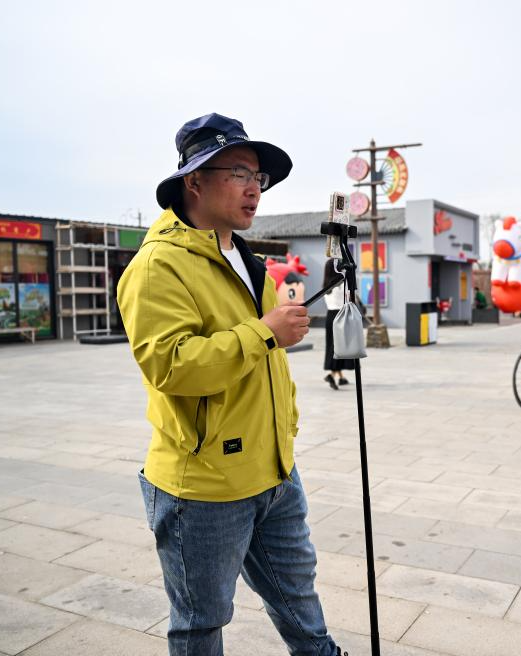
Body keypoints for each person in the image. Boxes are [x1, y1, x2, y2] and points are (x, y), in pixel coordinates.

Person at [116, 113, 345, 656]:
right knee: (201, 622)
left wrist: (284, 420)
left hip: (274, 469)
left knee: (300, 602)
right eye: (239, 172)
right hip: (205, 487)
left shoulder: (248, 261)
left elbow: (262, 359)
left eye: (258, 177)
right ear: (194, 180)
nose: (254, 188)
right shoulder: (158, 265)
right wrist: (265, 332)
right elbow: (172, 367)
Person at [323, 258, 355, 390]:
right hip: (341, 315)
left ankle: (341, 377)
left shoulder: (326, 285)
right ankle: (331, 375)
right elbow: (350, 298)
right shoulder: (342, 284)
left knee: (333, 346)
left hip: (330, 316)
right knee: (340, 347)